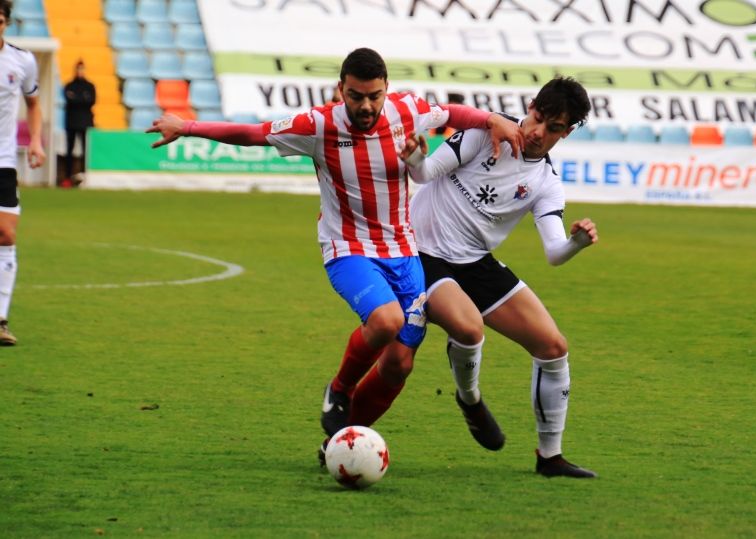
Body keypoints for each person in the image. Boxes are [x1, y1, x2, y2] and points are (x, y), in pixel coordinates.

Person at [146, 48, 524, 444]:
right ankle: (339, 390)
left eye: (374, 96)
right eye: (356, 96)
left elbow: (450, 114)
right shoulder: (317, 125)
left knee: (399, 363)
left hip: (403, 251)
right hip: (348, 248)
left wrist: (493, 119)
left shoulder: (407, 109)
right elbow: (253, 134)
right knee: (385, 321)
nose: (366, 105)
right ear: (340, 89)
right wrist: (186, 127)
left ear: (386, 90)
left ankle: (343, 440)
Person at [400, 77, 598, 478]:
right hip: (423, 254)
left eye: (555, 129)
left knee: (553, 345)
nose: (540, 133)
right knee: (470, 330)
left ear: (568, 131)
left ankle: (550, 457)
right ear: (530, 106)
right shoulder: (482, 132)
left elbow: (554, 253)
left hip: (475, 261)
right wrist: (417, 157)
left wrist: (576, 242)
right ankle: (470, 398)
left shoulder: (547, 183)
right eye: (539, 119)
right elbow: (422, 175)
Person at [0, 1, 45, 346]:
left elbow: (33, 103)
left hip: (3, 161)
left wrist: (36, 142)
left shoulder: (22, 60)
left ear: (6, 22)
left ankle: (0, 320)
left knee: (7, 236)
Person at [63, 60, 95, 182]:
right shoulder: (69, 85)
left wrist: (76, 98)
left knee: (85, 151)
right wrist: (83, 98)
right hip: (71, 122)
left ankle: (85, 176)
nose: (80, 72)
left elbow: (91, 101)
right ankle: (67, 177)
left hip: (85, 122)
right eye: (78, 69)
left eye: (82, 69)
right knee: (69, 150)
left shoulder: (90, 86)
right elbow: (70, 99)